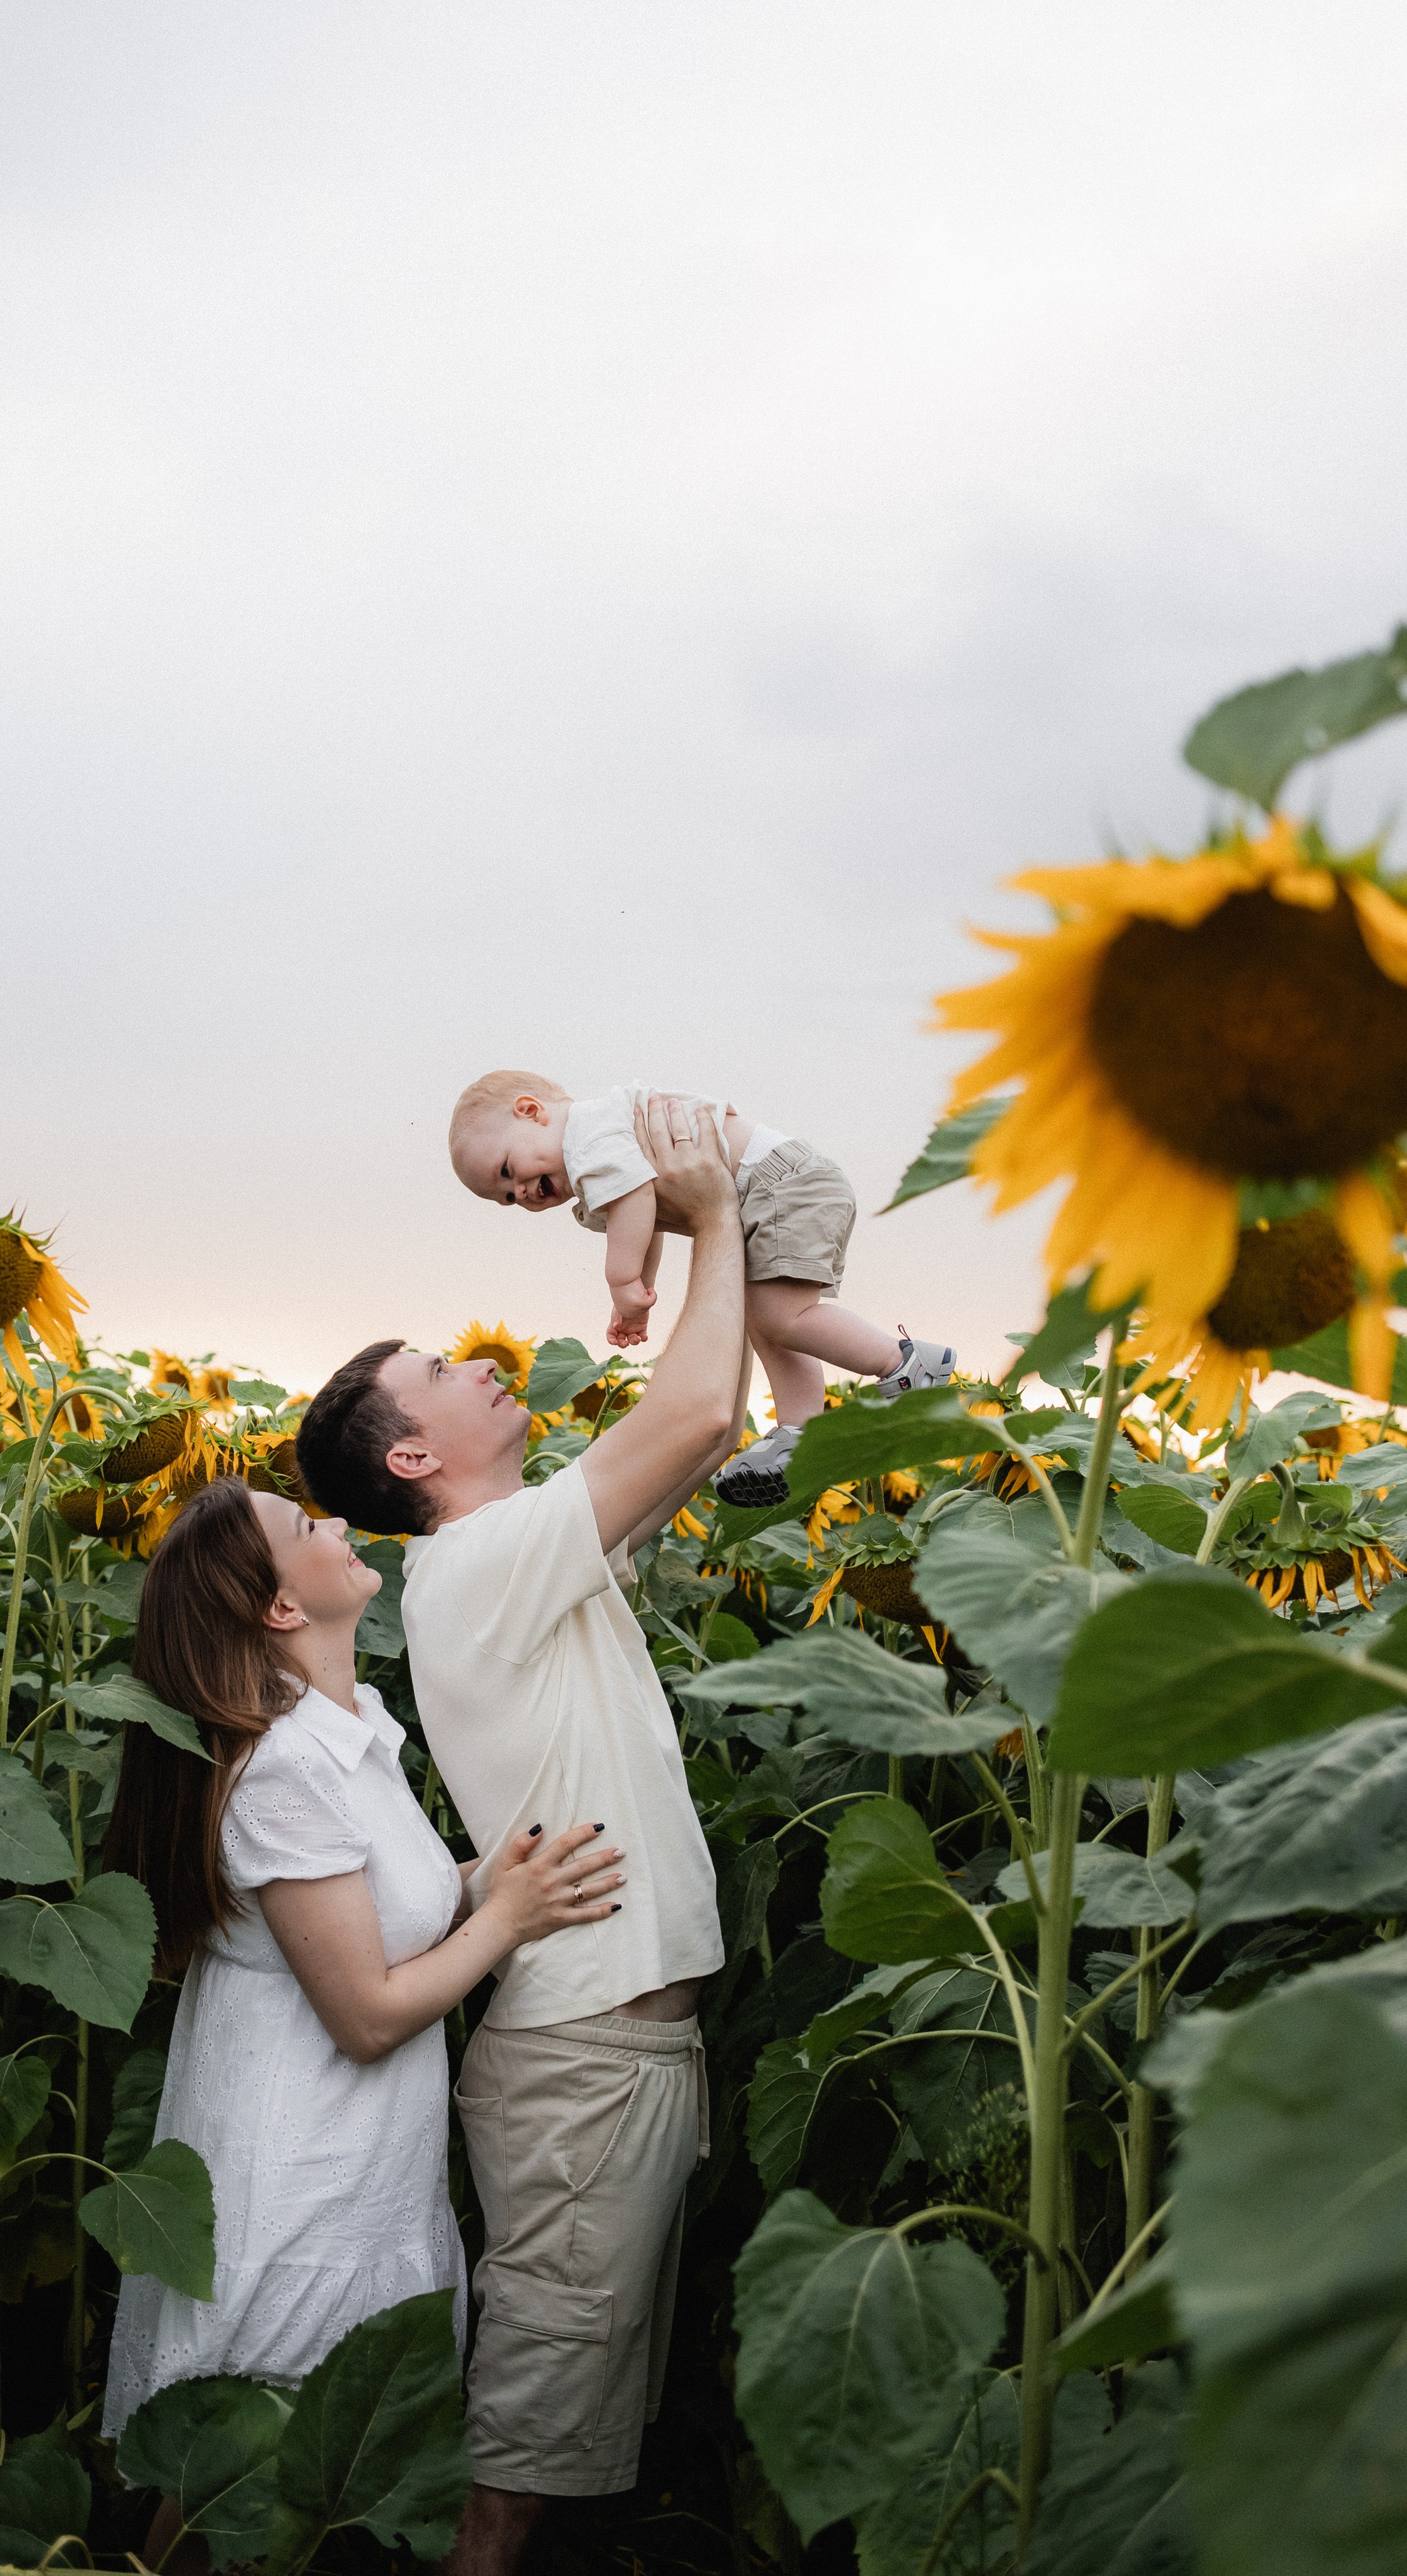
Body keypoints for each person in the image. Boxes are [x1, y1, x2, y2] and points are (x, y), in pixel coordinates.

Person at [294, 1096, 753, 2576]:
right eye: (435, 1372)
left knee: (569, 2399)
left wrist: (690, 1231)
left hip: (614, 2049)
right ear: (412, 1462)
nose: (477, 1362)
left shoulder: (523, 1550)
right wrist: (713, 1215)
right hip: (582, 2060)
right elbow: (682, 1413)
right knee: (525, 2434)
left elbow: (712, 1425)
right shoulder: (477, 1562)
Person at [98, 1475, 624, 2571]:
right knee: (238, 2475)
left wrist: (495, 1878)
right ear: (281, 1610)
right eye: (307, 1528)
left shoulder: (341, 1731)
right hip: (297, 2182)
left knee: (279, 2482)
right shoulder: (283, 1769)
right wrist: (514, 1917)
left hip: (353, 2173)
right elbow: (368, 2012)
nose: (337, 1524)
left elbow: (392, 1907)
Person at [446, 1068, 956, 1507]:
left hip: (780, 1183)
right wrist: (639, 1296)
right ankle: (801, 1431)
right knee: (768, 1319)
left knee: (782, 1317)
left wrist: (621, 1281)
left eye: (508, 1171)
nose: (520, 1193)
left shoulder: (588, 1134)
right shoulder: (601, 1157)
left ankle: (906, 1365)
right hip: (774, 1187)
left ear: (531, 1111)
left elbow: (633, 1204)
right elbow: (645, 1219)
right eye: (508, 1198)